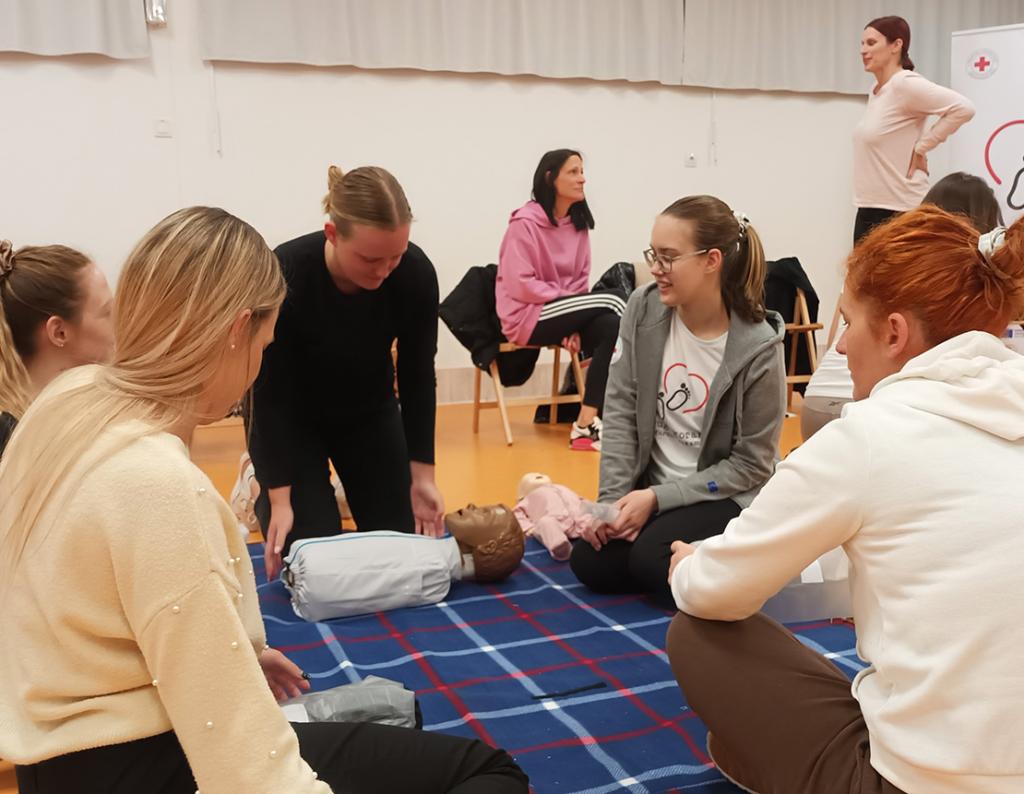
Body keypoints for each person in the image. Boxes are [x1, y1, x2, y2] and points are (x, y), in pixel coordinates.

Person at [0, 207, 529, 794]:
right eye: (264, 343)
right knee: (492, 773)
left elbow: (82, 600)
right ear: (237, 330)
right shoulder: (157, 483)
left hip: (52, 758)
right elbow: (245, 771)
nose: (257, 368)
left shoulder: (63, 403)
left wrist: (238, 654)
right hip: (136, 759)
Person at [667, 206, 1024, 794]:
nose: (838, 343)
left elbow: (714, 592)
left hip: (923, 781)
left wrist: (692, 566)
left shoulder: (868, 437)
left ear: (894, 333)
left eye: (849, 321)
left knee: (696, 632)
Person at [569, 196, 785, 606]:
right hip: (656, 492)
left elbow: (751, 465)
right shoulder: (642, 308)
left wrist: (657, 500)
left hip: (722, 495)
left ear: (711, 261)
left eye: (668, 257)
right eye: (653, 254)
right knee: (591, 560)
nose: (655, 268)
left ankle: (735, 554)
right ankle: (694, 554)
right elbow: (621, 409)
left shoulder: (759, 347)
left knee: (650, 559)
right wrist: (611, 505)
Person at [248, 165, 446, 581]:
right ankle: (256, 479)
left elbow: (416, 376)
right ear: (333, 234)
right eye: (370, 259)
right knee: (313, 560)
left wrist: (422, 476)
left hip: (368, 412)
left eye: (395, 256)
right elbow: (267, 394)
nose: (384, 271)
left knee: (399, 549)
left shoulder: (414, 274)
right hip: (294, 420)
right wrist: (278, 497)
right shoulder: (286, 271)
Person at [802, 171, 1004, 440]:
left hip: (820, 396)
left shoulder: (887, 265)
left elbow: (834, 339)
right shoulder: (960, 287)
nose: (842, 346)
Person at [496, 149, 625, 451]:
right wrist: (572, 308)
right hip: (526, 317)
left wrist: (573, 322)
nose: (582, 179)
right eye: (573, 172)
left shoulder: (578, 225)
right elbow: (520, 284)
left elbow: (580, 280)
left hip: (562, 313)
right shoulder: (524, 224)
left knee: (611, 324)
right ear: (550, 178)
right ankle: (635, 406)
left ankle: (585, 423)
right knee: (618, 299)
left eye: (582, 171)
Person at [852, 15, 974, 244]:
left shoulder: (904, 84)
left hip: (899, 211)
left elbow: (964, 108)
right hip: (869, 207)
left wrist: (922, 147)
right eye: (862, 44)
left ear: (896, 45)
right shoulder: (877, 90)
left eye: (871, 43)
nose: (863, 50)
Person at [0, 240, 114, 457]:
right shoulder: (17, 445)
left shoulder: (66, 420)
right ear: (59, 332)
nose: (118, 324)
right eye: (107, 312)